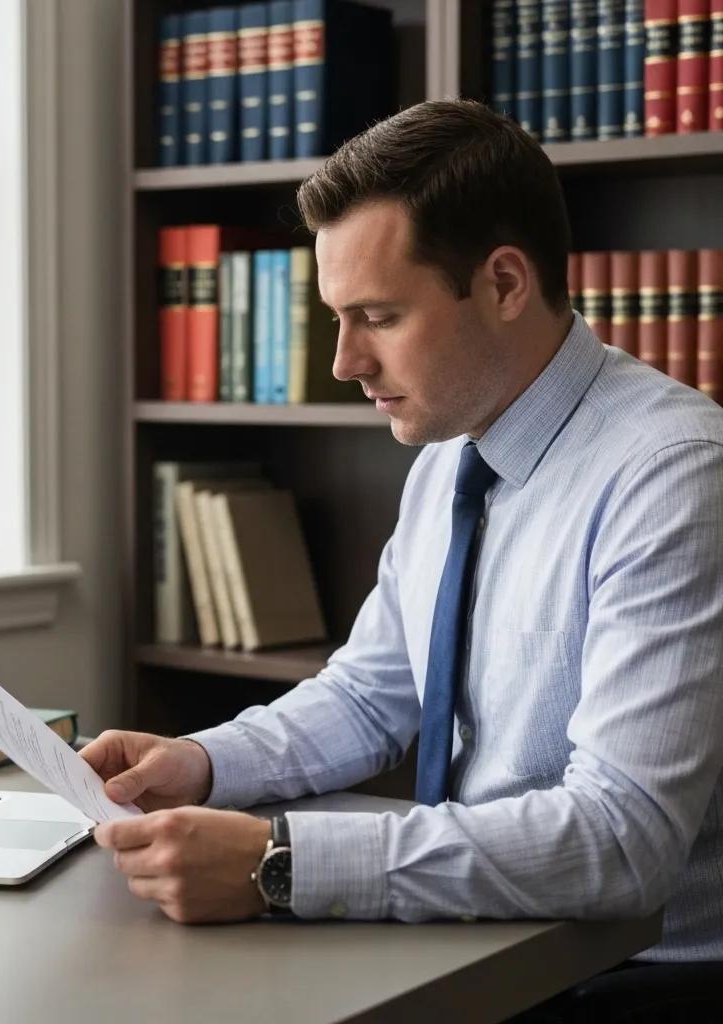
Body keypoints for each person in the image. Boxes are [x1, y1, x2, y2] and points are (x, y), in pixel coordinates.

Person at [80, 99, 723, 1020]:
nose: (343, 363)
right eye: (337, 318)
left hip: (638, 976)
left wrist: (278, 862)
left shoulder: (673, 476)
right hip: (479, 941)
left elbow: (624, 841)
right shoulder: (445, 459)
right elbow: (371, 696)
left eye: (377, 315)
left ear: (504, 283)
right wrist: (198, 763)